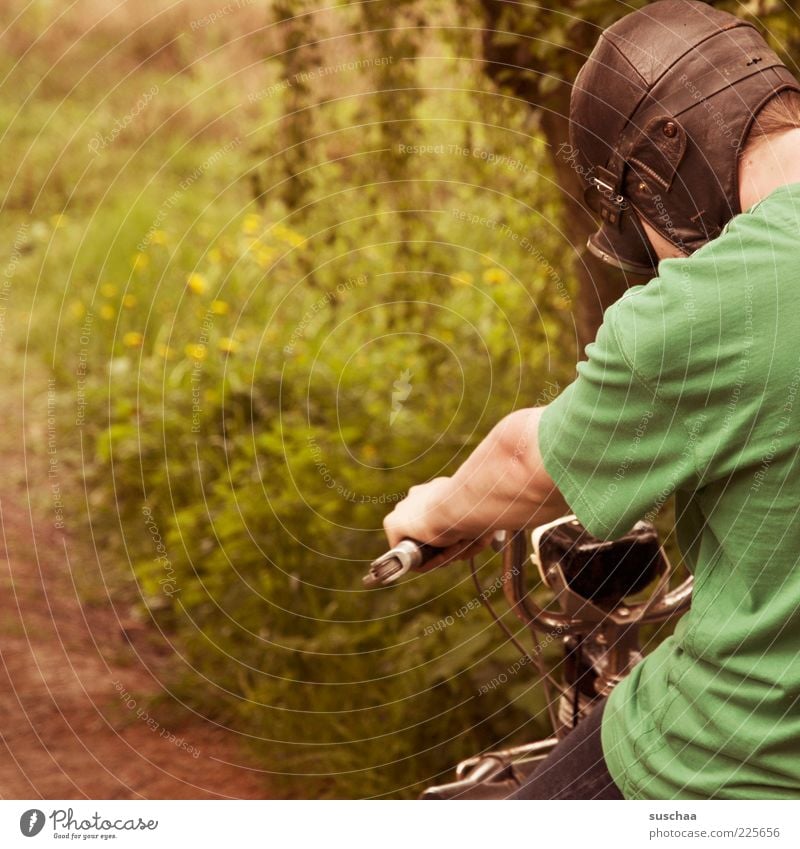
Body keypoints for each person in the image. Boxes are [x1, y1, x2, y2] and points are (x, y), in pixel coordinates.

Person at [382, 0, 800, 800]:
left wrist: (436, 512)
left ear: (662, 168)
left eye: (640, 220)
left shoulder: (719, 294)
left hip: (736, 767)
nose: (660, 253)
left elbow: (527, 462)